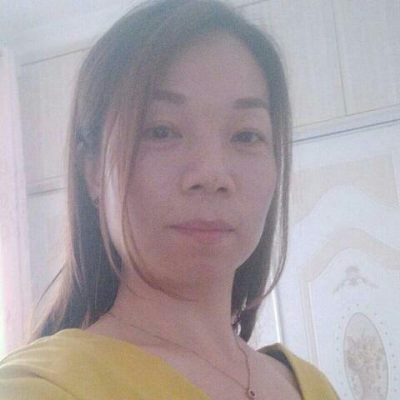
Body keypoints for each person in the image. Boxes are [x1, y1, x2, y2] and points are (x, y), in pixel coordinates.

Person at [0, 0, 339, 398]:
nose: (211, 175)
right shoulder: (40, 386)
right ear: (92, 170)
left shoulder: (312, 385)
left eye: (246, 135)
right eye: (161, 131)